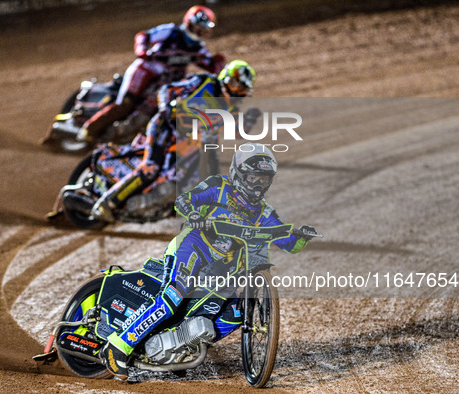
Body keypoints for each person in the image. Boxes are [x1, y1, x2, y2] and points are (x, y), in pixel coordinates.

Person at [99, 143, 318, 379]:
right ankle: (119, 345)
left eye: (263, 180)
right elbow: (184, 200)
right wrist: (193, 213)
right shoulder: (219, 185)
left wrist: (301, 237)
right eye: (253, 177)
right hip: (193, 248)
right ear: (239, 173)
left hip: (223, 270)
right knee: (173, 296)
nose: (257, 185)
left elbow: (288, 243)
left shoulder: (264, 213)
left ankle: (181, 349)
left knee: (237, 313)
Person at [90, 59, 257, 223]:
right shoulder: (203, 81)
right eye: (236, 84)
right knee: (151, 168)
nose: (237, 90)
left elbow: (236, 132)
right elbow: (167, 89)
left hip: (186, 142)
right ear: (226, 78)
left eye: (242, 88)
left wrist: (249, 121)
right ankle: (107, 202)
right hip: (165, 127)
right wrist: (165, 107)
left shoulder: (231, 108)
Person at [77, 5, 226, 145]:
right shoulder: (171, 31)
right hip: (145, 71)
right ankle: (89, 129)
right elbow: (144, 36)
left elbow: (211, 66)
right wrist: (141, 50)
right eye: (198, 28)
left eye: (203, 30)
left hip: (163, 83)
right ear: (189, 23)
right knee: (125, 104)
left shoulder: (198, 48)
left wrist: (219, 65)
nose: (200, 32)